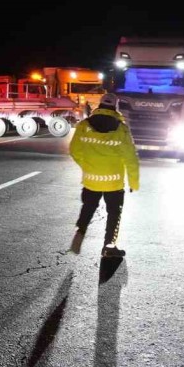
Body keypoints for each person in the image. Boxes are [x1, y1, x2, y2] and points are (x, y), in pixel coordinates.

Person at [68, 93, 140, 258]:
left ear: (99, 106)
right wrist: (133, 182)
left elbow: (74, 151)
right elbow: (130, 158)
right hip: (113, 182)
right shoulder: (121, 128)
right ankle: (109, 246)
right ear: (115, 107)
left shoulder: (84, 125)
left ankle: (81, 230)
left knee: (88, 207)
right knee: (114, 213)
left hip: (91, 179)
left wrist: (87, 166)